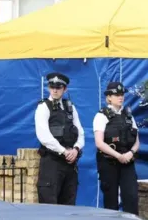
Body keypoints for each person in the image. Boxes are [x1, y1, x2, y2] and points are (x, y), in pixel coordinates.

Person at [35, 72, 85, 205]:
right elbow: (44, 136)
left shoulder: (70, 108)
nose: (55, 90)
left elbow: (80, 132)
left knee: (69, 206)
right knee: (49, 207)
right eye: (52, 87)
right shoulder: (43, 107)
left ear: (65, 89)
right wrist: (64, 151)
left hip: (70, 164)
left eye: (59, 87)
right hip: (52, 162)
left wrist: (76, 149)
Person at [93, 81, 140, 215]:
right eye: (117, 95)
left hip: (127, 162)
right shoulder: (101, 116)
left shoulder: (129, 116)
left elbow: (137, 142)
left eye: (122, 94)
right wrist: (118, 156)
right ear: (109, 97)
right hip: (109, 163)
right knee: (111, 202)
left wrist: (130, 153)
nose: (121, 97)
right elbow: (99, 142)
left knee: (131, 197)